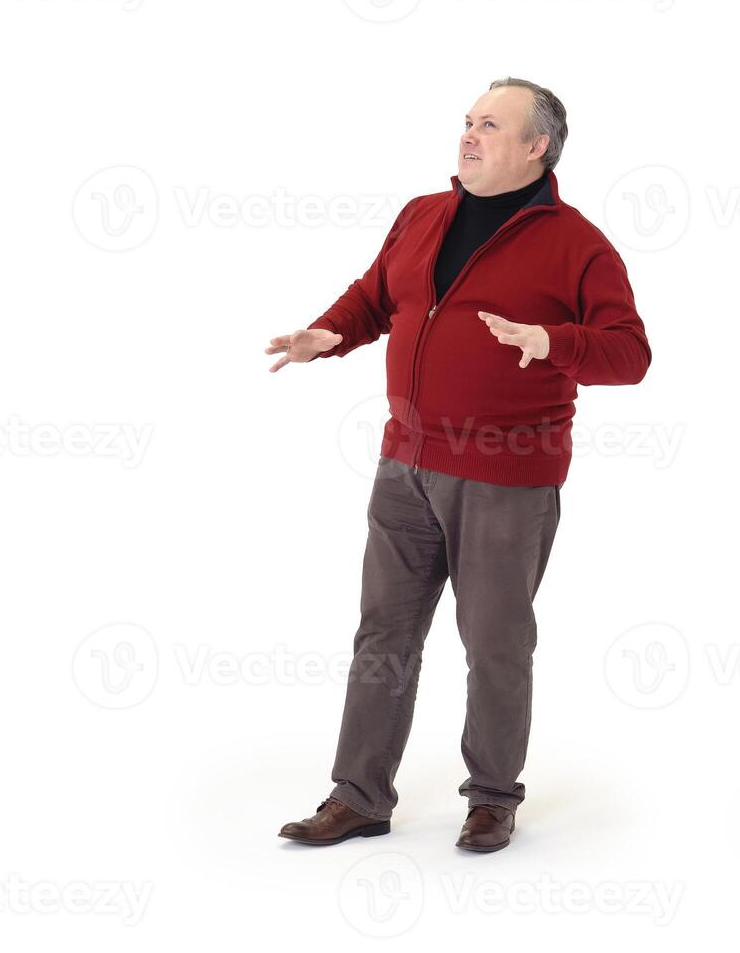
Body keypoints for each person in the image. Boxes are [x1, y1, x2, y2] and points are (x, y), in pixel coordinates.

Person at [267, 77, 651, 853]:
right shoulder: (423, 214)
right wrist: (328, 333)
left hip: (508, 477)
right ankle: (359, 796)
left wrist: (555, 343)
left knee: (495, 642)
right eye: (468, 121)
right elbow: (377, 296)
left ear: (537, 147)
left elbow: (631, 355)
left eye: (491, 125)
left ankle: (493, 797)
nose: (469, 136)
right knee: (383, 635)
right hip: (405, 463)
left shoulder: (579, 244)